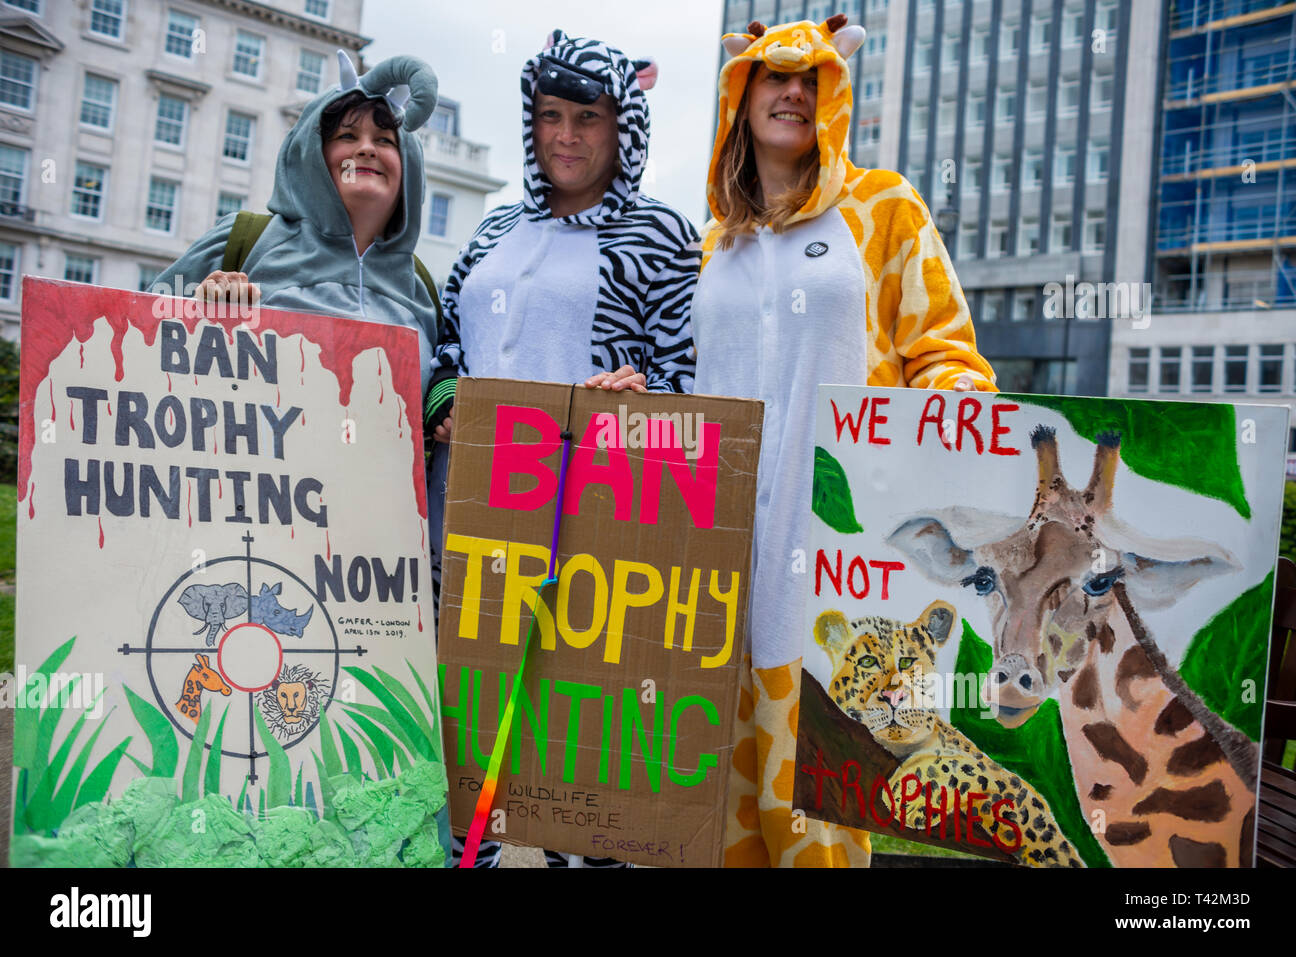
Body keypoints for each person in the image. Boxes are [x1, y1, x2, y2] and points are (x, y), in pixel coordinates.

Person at [690, 15, 998, 868]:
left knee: (817, 833)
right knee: (715, 824)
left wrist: (963, 413)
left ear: (835, 95)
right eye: (775, 76)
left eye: (813, 78)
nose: (794, 92)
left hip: (830, 576)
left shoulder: (883, 205)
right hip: (713, 577)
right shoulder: (716, 238)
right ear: (740, 94)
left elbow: (944, 349)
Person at [428, 30, 701, 868]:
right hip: (468, 515)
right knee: (463, 733)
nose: (567, 135)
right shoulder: (495, 228)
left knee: (575, 742)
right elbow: (444, 345)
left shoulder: (662, 235)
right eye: (551, 115)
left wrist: (644, 401)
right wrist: (444, 404)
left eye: (589, 116)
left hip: (588, 530)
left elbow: (690, 377)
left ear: (625, 127)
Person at [154, 52, 442, 404]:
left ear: (408, 165)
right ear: (312, 155)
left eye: (385, 140)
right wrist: (198, 314)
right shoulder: (242, 241)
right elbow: (133, 336)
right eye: (347, 136)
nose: (366, 149)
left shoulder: (421, 287)